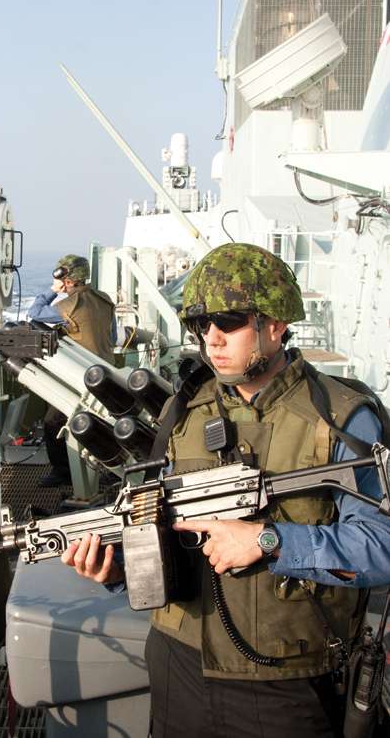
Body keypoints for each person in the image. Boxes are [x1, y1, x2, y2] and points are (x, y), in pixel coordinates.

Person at [61, 243, 390, 737]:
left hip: (284, 681)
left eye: (229, 321)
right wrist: (114, 565)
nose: (211, 339)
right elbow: (164, 528)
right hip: (178, 665)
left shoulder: (340, 419)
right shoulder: (184, 411)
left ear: (275, 325)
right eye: (200, 326)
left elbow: (381, 546)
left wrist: (267, 541)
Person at [28, 254, 116, 485]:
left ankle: (62, 472)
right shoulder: (104, 300)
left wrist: (53, 289)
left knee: (52, 422)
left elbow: (35, 312)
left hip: (81, 376)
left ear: (66, 279)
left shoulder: (69, 306)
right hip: (107, 374)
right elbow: (113, 337)